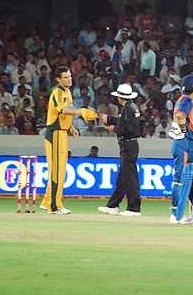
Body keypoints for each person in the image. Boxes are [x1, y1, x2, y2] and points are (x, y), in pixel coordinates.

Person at [42, 66, 99, 215]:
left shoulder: (68, 92)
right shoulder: (58, 92)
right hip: (55, 133)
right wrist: (80, 112)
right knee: (57, 171)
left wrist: (70, 127)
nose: (69, 79)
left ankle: (48, 201)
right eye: (65, 77)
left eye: (70, 76)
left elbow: (66, 113)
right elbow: (63, 110)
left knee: (59, 170)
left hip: (62, 133)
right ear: (58, 79)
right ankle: (54, 206)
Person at [98, 83, 142, 216]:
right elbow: (125, 122)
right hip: (130, 145)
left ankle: (134, 208)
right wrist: (110, 119)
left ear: (119, 97)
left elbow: (128, 128)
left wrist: (114, 129)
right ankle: (113, 205)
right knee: (123, 178)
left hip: (128, 145)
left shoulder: (127, 109)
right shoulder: (132, 107)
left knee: (130, 178)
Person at [169, 74, 193, 225]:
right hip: (184, 143)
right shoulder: (186, 100)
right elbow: (180, 115)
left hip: (188, 144)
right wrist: (184, 129)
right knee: (180, 179)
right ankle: (175, 214)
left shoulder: (185, 100)